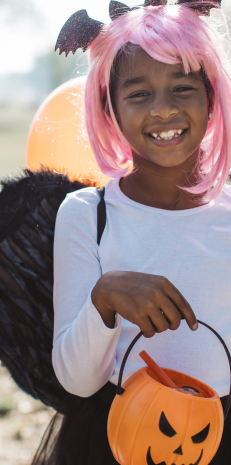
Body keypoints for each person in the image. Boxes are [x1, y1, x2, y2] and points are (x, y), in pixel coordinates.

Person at [49, 1, 231, 464]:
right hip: (118, 437)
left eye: (183, 87)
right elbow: (76, 380)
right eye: (138, 94)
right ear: (109, 108)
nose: (163, 110)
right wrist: (103, 299)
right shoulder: (87, 215)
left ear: (212, 97)